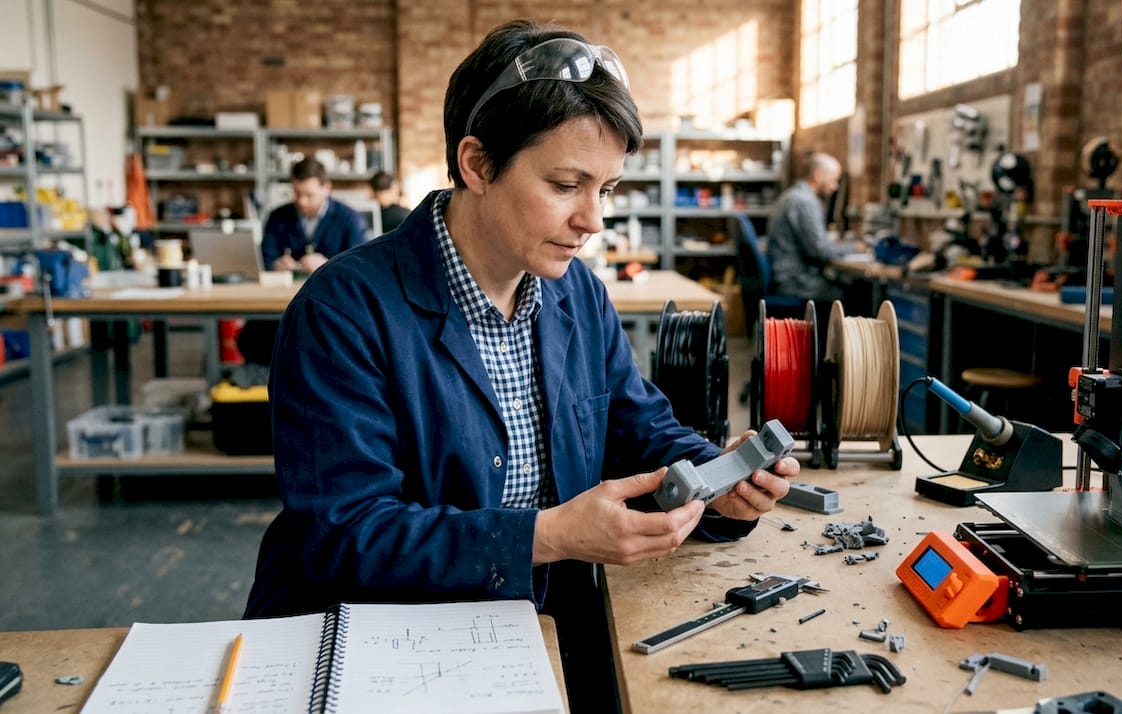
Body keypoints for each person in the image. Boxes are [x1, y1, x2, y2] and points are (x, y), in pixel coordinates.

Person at [243, 19, 797, 713]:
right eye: (566, 184)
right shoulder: (343, 311)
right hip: (383, 646)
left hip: (541, 626)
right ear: (477, 164)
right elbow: (345, 535)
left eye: (606, 189)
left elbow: (639, 427)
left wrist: (718, 479)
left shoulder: (576, 294)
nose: (593, 219)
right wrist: (549, 536)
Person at [765, 151, 856, 301]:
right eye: (833, 180)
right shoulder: (805, 202)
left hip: (784, 277)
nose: (835, 187)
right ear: (818, 175)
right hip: (795, 282)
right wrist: (854, 248)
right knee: (855, 294)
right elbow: (820, 250)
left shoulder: (790, 196)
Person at [261, 157, 368, 274]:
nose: (302, 202)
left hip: (333, 285)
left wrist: (328, 265)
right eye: (297, 193)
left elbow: (360, 267)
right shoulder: (277, 217)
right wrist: (276, 265)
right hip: (285, 286)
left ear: (326, 188)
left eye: (309, 195)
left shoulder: (351, 220)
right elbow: (265, 259)